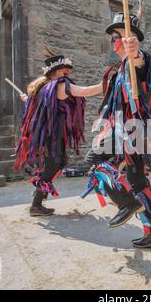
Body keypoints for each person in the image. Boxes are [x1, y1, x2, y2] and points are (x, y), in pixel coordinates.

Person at [82, 11, 151, 248]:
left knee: (94, 160)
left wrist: (137, 55)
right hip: (127, 132)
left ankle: (126, 203)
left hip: (133, 132)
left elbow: (142, 70)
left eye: (118, 36)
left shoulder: (138, 61)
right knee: (136, 179)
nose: (114, 41)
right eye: (113, 37)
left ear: (132, 40)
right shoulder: (119, 69)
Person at [14, 46, 102, 217]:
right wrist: (105, 84)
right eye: (65, 69)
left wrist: (26, 99)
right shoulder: (60, 86)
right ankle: (36, 203)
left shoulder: (43, 88)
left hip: (51, 134)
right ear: (56, 71)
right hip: (51, 135)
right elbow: (86, 92)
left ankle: (39, 195)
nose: (68, 71)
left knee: (58, 163)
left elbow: (31, 103)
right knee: (54, 165)